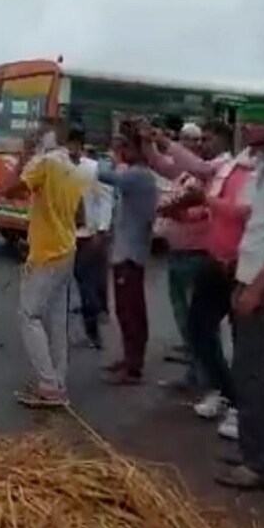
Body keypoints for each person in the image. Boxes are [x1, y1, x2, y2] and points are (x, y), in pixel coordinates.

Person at [208, 99, 264, 493]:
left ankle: (260, 464)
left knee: (254, 373)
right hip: (251, 276)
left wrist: (258, 286)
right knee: (256, 372)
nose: (246, 127)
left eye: (256, 120)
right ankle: (263, 453)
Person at [145, 118, 248, 438]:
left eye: (206, 138)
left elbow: (237, 210)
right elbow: (182, 170)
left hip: (241, 265)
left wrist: (199, 203)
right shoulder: (230, 167)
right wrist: (154, 142)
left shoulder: (236, 166)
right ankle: (223, 390)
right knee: (199, 329)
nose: (200, 144)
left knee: (243, 340)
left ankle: (240, 406)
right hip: (215, 260)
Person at [2, 117, 89, 407]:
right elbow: (80, 218)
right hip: (67, 248)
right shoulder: (76, 168)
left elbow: (9, 188)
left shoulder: (46, 163)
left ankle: (49, 385)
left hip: (47, 252)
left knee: (28, 315)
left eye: (41, 133)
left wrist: (24, 156)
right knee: (56, 320)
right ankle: (57, 381)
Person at [96, 128, 159, 385]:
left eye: (123, 148)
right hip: (128, 250)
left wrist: (108, 157)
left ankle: (133, 367)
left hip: (130, 254)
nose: (120, 153)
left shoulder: (137, 175)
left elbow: (102, 175)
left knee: (130, 311)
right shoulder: (138, 174)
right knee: (127, 311)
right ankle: (130, 358)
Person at [159, 123, 210, 380]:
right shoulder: (181, 173)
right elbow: (160, 166)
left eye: (197, 140)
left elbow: (205, 212)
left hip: (195, 255)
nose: (193, 144)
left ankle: (202, 374)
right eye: (187, 139)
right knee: (182, 315)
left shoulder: (208, 174)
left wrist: (178, 212)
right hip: (176, 252)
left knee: (195, 318)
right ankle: (194, 369)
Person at [66, 127, 112, 350]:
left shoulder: (93, 169)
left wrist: (102, 230)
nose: (69, 149)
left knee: (86, 283)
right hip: (63, 234)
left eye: (73, 144)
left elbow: (105, 198)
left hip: (87, 234)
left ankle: (93, 330)